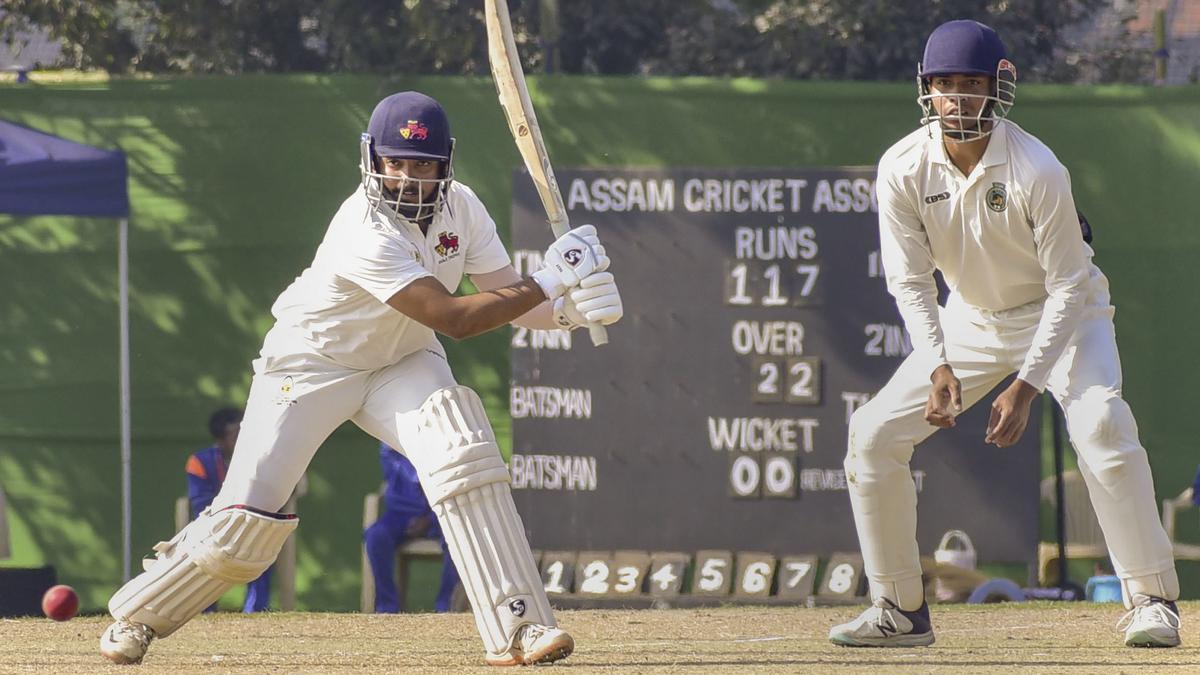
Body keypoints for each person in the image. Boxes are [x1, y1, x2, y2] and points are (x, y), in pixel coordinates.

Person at [99, 90, 623, 666]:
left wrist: (570, 311)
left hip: (401, 359)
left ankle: (520, 626)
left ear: (446, 164)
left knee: (463, 452)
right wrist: (550, 279)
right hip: (311, 363)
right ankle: (137, 616)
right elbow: (456, 319)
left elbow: (510, 298)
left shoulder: (463, 208)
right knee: (245, 523)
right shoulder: (362, 228)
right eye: (394, 162)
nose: (405, 177)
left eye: (421, 165)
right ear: (372, 158)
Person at [829, 20, 1181, 649]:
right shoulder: (902, 167)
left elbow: (1071, 286)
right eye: (944, 85)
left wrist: (1026, 385)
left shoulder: (1037, 167)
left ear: (998, 88)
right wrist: (938, 365)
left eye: (971, 84)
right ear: (926, 91)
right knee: (873, 433)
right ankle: (899, 609)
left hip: (1065, 314)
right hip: (972, 320)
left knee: (1100, 423)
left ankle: (1152, 599)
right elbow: (909, 282)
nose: (958, 99)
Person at [185, 407, 272, 613]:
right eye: (236, 434)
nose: (243, 438)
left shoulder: (259, 459)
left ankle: (254, 612)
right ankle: (207, 611)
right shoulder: (199, 462)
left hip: (252, 525)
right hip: (213, 526)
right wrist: (227, 521)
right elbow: (200, 501)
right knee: (206, 554)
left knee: (262, 548)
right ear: (221, 439)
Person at [365, 442, 460, 613]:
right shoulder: (390, 441)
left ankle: (445, 608)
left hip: (441, 512)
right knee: (375, 536)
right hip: (401, 514)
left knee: (457, 538)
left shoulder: (442, 437)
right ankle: (387, 609)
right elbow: (407, 475)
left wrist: (429, 519)